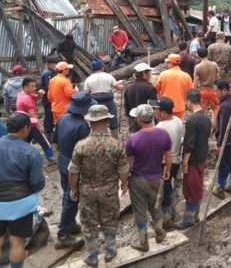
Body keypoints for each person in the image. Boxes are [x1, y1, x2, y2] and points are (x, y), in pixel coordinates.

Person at [0, 112, 45, 268]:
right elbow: (37, 184)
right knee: (17, 242)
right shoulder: (31, 152)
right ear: (25, 129)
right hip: (20, 204)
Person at [68, 105, 129, 266]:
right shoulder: (116, 145)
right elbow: (123, 168)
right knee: (110, 219)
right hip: (109, 190)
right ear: (107, 120)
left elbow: (73, 171)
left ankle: (91, 253)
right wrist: (124, 184)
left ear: (89, 121)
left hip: (87, 190)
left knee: (89, 222)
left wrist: (73, 189)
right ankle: (110, 249)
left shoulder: (81, 145)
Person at [127, 104, 172, 251]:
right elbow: (168, 156)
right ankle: (159, 234)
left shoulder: (133, 139)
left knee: (139, 210)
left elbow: (129, 163)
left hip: (138, 178)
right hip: (156, 177)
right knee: (156, 206)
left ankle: (143, 242)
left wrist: (125, 180)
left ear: (139, 121)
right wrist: (167, 171)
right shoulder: (164, 134)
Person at [53, 92, 96, 249]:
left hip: (63, 160)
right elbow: (85, 151)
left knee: (67, 193)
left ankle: (70, 223)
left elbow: (55, 139)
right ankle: (63, 234)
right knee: (72, 197)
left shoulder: (63, 118)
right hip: (74, 166)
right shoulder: (82, 126)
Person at [174, 90, 210, 228]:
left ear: (188, 101)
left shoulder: (192, 120)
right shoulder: (206, 116)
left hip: (193, 160)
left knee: (190, 189)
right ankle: (195, 215)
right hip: (202, 156)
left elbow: (189, 145)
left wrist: (185, 163)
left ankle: (188, 218)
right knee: (198, 186)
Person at [148, 97, 183, 228]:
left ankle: (166, 217)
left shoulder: (160, 127)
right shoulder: (178, 121)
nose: (154, 112)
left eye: (156, 110)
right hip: (176, 159)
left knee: (164, 189)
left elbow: (155, 150)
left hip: (165, 163)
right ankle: (170, 211)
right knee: (168, 187)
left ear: (163, 112)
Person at [212, 79, 231, 199]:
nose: (215, 93)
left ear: (224, 90)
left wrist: (219, 144)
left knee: (223, 165)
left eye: (216, 91)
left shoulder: (225, 106)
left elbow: (224, 127)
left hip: (228, 141)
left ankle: (220, 188)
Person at [83, 58, 124, 137]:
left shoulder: (88, 79)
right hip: (108, 102)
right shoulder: (108, 76)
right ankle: (114, 136)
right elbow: (118, 87)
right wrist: (122, 87)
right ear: (102, 67)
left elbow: (86, 93)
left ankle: (95, 136)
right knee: (113, 119)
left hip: (94, 103)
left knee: (95, 119)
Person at [16, 77, 54, 161]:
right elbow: (32, 115)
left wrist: (39, 94)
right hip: (32, 124)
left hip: (24, 124)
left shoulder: (22, 94)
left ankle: (20, 157)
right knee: (44, 142)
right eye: (32, 86)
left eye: (35, 86)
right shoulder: (26, 99)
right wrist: (40, 126)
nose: (34, 88)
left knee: (26, 141)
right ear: (25, 87)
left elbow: (36, 98)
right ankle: (50, 157)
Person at [154, 54, 193, 120]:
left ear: (170, 63)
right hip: (179, 107)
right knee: (177, 126)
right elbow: (189, 92)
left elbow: (155, 90)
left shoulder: (163, 75)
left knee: (166, 127)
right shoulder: (186, 76)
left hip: (165, 108)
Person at [124, 63, 157, 132]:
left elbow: (127, 108)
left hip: (135, 122)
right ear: (144, 73)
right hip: (148, 123)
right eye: (149, 73)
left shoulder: (128, 88)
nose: (150, 75)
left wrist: (129, 124)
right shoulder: (150, 88)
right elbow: (154, 107)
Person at [193, 47, 220, 125]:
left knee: (202, 109)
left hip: (202, 91)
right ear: (207, 54)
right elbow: (218, 78)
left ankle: (203, 125)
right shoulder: (214, 64)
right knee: (215, 108)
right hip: (213, 90)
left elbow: (195, 82)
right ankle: (215, 124)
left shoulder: (198, 67)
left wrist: (193, 91)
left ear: (198, 56)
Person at [41, 55, 60, 140]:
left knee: (50, 116)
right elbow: (49, 87)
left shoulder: (51, 72)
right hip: (48, 98)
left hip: (50, 98)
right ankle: (48, 134)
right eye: (55, 64)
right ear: (50, 64)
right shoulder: (48, 74)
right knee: (49, 116)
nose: (57, 66)